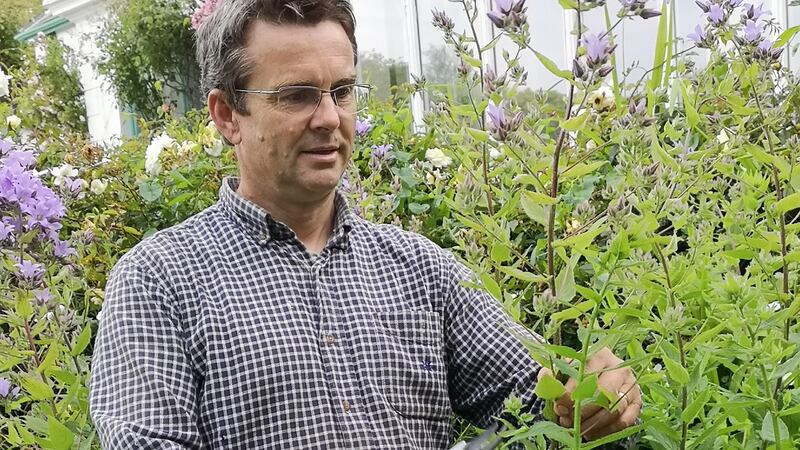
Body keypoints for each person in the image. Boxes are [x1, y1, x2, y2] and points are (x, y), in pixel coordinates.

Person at [88, 1, 641, 448]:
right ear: (228, 115)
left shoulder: (422, 270)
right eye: (296, 95)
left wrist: (591, 393)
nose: (329, 118)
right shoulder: (159, 282)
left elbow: (533, 404)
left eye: (343, 92)